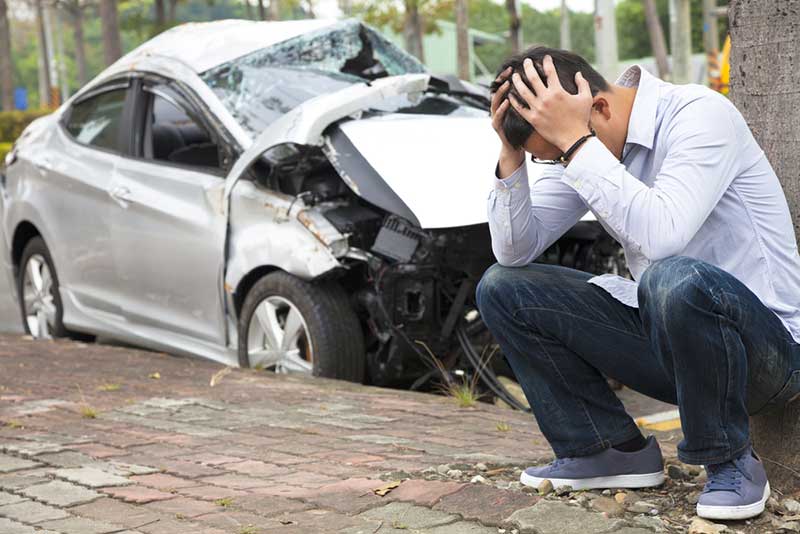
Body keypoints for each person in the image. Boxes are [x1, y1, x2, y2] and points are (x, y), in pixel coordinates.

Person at [475, 46, 800, 521]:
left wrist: (574, 143)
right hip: (677, 349)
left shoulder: (698, 115)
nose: (564, 165)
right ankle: (605, 448)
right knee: (503, 287)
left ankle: (728, 461)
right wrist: (512, 153)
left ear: (599, 107)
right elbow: (513, 250)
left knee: (671, 277)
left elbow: (662, 235)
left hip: (767, 355)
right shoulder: (584, 142)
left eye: (561, 153)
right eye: (552, 159)